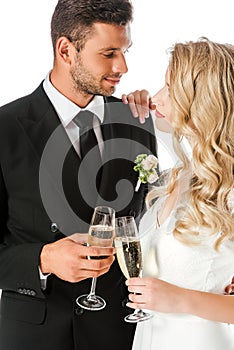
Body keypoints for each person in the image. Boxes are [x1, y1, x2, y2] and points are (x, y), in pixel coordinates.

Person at [0, 1, 157, 349]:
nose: (123, 67)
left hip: (120, 328)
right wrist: (43, 259)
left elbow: (154, 216)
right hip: (36, 333)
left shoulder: (137, 121)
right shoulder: (5, 129)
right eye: (109, 53)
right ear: (66, 50)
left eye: (126, 51)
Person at [124, 38, 234, 349]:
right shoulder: (177, 177)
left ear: (203, 101)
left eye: (170, 89)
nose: (155, 97)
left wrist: (181, 299)